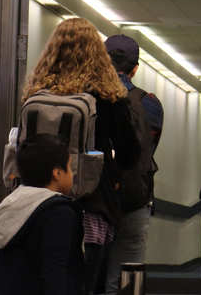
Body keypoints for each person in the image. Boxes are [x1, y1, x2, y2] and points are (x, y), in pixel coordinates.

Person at [20, 18, 140, 295]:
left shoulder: (36, 92)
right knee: (84, 282)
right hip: (90, 203)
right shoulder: (109, 95)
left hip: (34, 203)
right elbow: (129, 153)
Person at [0, 134, 84, 295]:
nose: (72, 174)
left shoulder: (11, 204)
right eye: (69, 167)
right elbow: (54, 272)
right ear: (57, 173)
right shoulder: (59, 212)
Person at [103, 34, 164, 293]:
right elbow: (145, 151)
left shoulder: (88, 97)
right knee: (125, 281)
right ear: (135, 68)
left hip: (94, 200)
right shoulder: (149, 103)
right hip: (134, 199)